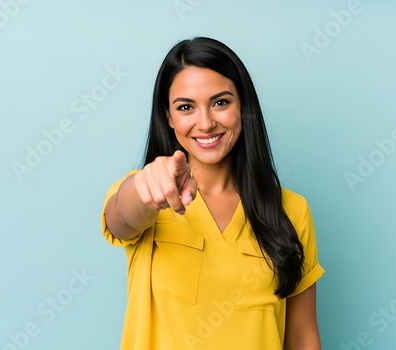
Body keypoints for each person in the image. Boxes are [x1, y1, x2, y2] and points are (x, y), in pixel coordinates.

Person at [101, 37, 324, 350]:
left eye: (221, 102)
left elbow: (301, 338)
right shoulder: (147, 190)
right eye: (186, 107)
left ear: (243, 107)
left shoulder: (292, 210)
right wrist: (145, 189)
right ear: (168, 116)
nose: (205, 123)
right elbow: (122, 217)